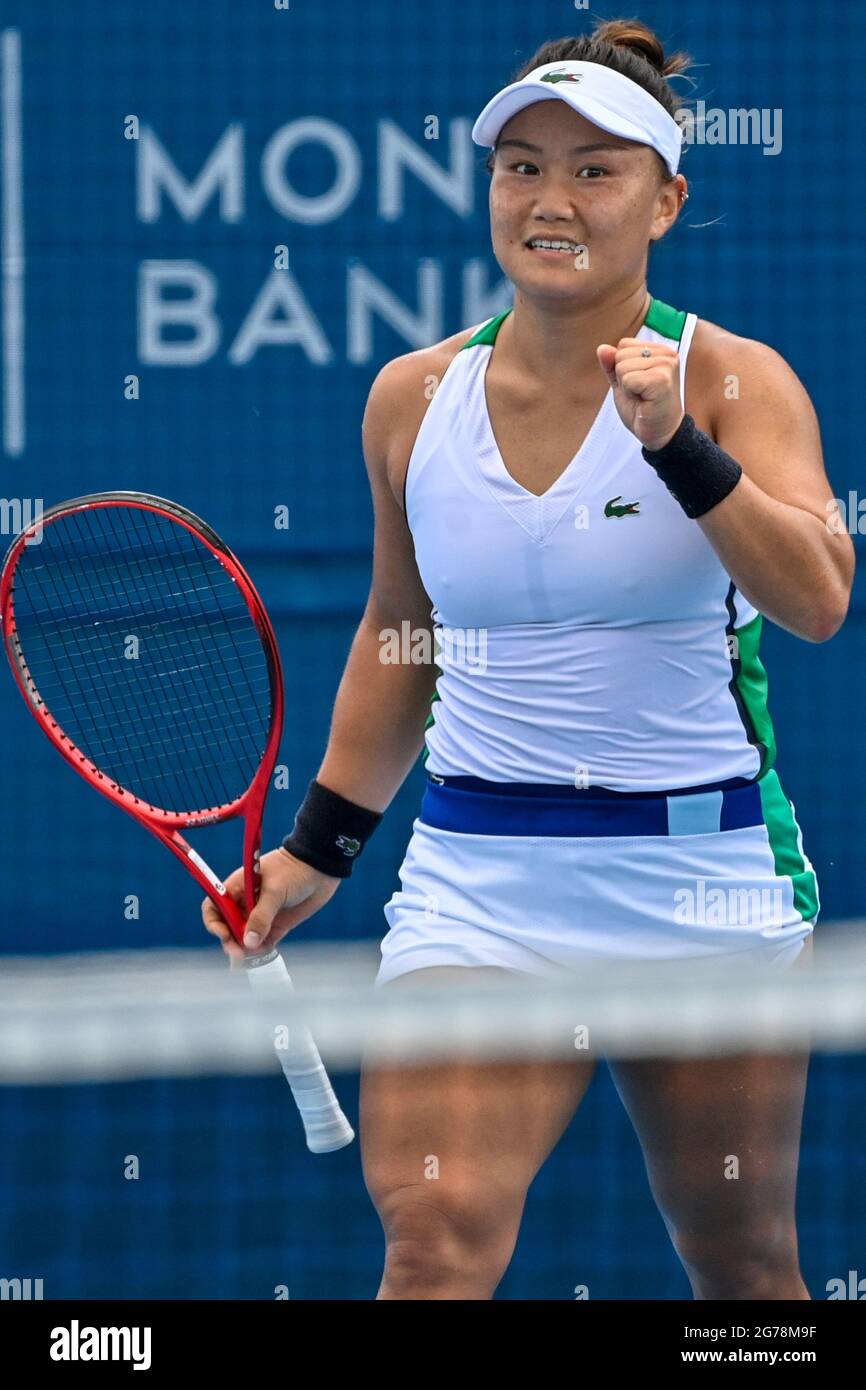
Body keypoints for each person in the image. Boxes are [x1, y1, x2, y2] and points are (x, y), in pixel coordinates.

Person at [202, 18, 855, 1299]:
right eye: (520, 165)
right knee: (433, 1244)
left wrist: (677, 446)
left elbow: (820, 597)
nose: (549, 198)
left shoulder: (733, 382)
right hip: (480, 885)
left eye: (594, 169)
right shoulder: (412, 397)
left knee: (740, 1260)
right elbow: (403, 643)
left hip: (702, 881)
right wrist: (315, 849)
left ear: (665, 200)